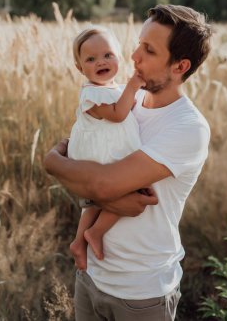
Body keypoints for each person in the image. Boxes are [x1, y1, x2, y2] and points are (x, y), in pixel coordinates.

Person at [44, 4, 212, 321]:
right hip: (90, 275)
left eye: (148, 50)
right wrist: (63, 165)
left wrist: (53, 163)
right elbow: (84, 154)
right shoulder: (122, 97)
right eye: (137, 43)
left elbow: (97, 181)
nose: (134, 56)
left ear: (180, 66)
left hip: (140, 293)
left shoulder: (188, 127)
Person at [68, 25, 146, 271]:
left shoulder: (112, 89)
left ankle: (80, 242)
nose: (100, 62)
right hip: (101, 156)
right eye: (90, 59)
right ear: (80, 68)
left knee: (95, 204)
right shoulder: (91, 94)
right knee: (129, 191)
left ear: (119, 57)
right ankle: (95, 233)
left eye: (107, 55)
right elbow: (118, 114)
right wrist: (133, 86)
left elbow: (125, 106)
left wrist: (130, 92)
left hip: (110, 151)